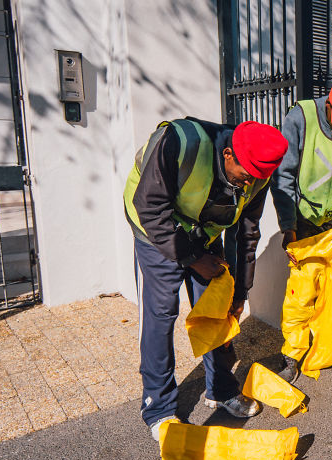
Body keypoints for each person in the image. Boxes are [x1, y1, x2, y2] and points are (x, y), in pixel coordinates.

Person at [123, 117, 287, 440]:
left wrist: (240, 291)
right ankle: (158, 408)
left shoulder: (257, 175)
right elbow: (150, 207)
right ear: (228, 155)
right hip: (154, 228)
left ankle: (221, 389)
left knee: (217, 306)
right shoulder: (180, 144)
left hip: (202, 229)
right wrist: (194, 259)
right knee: (161, 313)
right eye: (244, 176)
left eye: (255, 179)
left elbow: (246, 233)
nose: (247, 185)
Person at [272, 79, 332, 383]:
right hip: (300, 217)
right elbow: (282, 177)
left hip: (331, 220)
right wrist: (288, 226)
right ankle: (292, 355)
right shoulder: (300, 117)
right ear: (328, 105)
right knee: (302, 291)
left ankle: (329, 348)